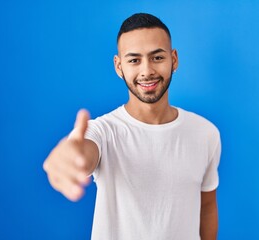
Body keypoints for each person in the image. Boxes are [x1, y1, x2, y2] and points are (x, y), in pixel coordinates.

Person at [43, 13, 221, 240]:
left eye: (157, 58)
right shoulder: (104, 131)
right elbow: (84, 151)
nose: (146, 71)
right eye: (134, 60)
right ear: (119, 66)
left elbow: (206, 206)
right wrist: (69, 157)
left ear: (174, 59)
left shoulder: (205, 133)